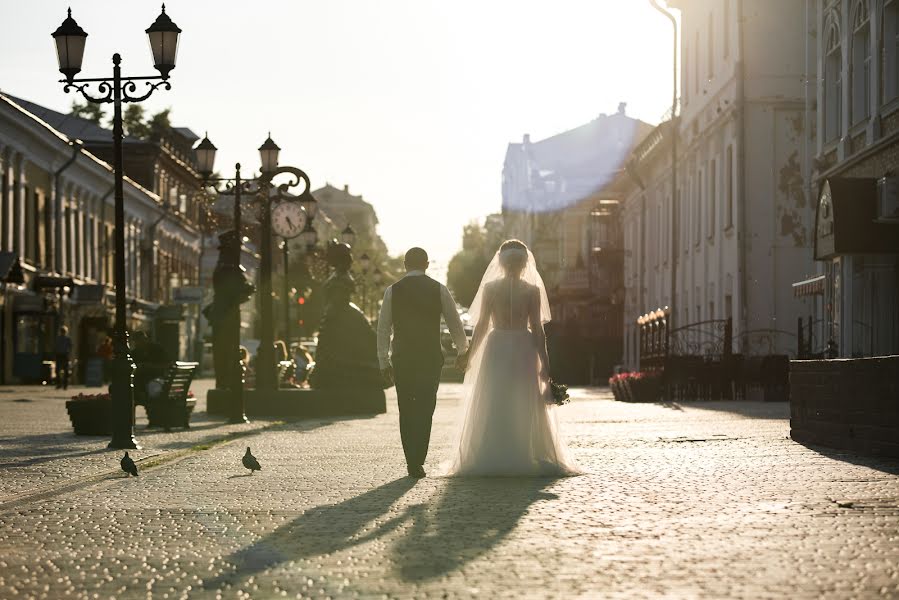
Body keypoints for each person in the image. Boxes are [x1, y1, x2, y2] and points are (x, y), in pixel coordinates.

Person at [446, 239, 580, 477]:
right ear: (525, 263)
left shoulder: (490, 289)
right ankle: (525, 452)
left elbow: (482, 325)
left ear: (500, 262)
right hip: (523, 346)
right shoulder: (532, 291)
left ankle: (492, 452)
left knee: (494, 396)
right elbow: (538, 330)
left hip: (496, 345)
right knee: (524, 398)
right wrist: (545, 364)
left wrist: (469, 354)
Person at [377, 247, 469, 478]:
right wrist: (462, 351)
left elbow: (383, 328)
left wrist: (383, 361)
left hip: (402, 357)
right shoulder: (438, 289)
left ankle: (412, 461)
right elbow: (454, 322)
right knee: (426, 407)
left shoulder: (392, 291)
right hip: (429, 356)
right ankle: (420, 457)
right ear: (427, 264)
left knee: (406, 408)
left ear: (404, 265)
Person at [54, 326, 73, 390]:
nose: (63, 333)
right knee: (59, 370)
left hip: (63, 355)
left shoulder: (67, 339)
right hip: (61, 355)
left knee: (65, 370)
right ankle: (60, 384)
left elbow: (70, 347)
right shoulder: (59, 339)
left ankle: (64, 385)